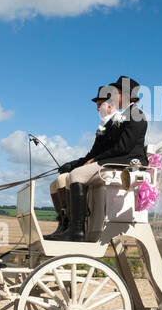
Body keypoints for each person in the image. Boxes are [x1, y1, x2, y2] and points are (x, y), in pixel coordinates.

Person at [46, 77, 148, 242]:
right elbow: (96, 151)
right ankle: (66, 226)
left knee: (77, 176)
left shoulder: (136, 115)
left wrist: (95, 159)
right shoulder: (118, 119)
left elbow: (124, 148)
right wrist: (74, 163)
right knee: (69, 175)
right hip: (114, 160)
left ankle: (77, 230)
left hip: (125, 162)